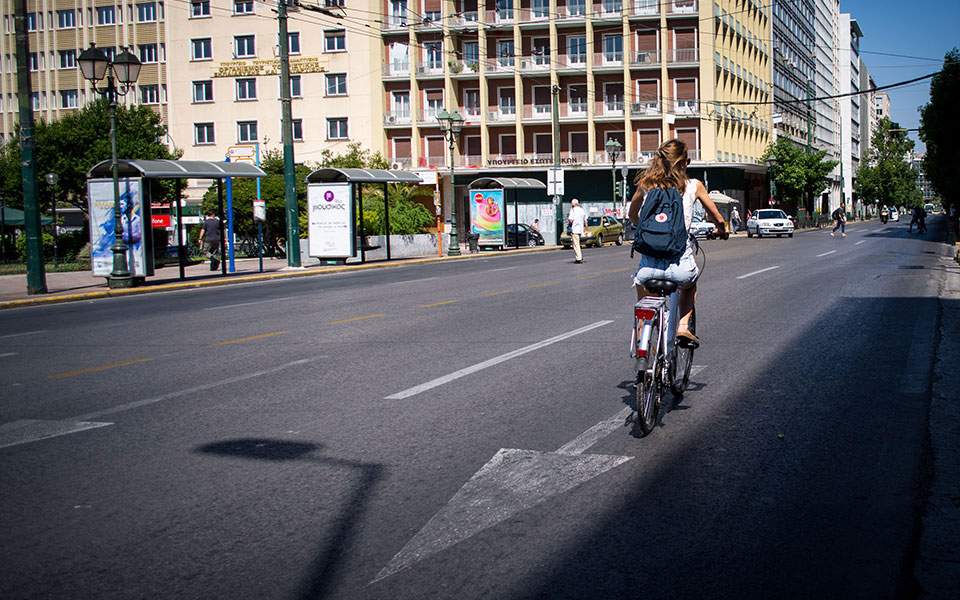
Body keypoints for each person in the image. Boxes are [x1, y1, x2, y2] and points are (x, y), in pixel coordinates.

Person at [628, 139, 726, 349]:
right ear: (685, 162)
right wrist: (722, 229)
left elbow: (632, 214)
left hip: (648, 269)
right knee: (690, 284)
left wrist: (645, 229)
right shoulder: (694, 186)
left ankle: (642, 338)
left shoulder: (646, 184)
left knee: (644, 294)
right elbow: (717, 217)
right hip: (680, 266)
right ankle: (683, 326)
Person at [567, 198, 587, 264]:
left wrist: (568, 222)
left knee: (576, 245)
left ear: (573, 204)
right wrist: (585, 228)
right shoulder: (582, 210)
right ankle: (580, 256)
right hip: (580, 229)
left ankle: (579, 258)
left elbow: (571, 219)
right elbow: (585, 220)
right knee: (578, 244)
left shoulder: (573, 210)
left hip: (574, 229)